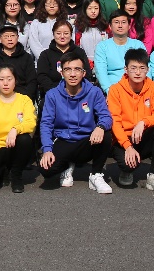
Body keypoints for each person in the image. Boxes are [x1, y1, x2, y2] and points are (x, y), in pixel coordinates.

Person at [37, 54, 113, 193]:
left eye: (77, 69)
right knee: (46, 170)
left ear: (84, 73)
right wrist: (47, 150)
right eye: (68, 69)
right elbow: (46, 124)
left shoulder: (94, 92)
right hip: (63, 140)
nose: (72, 74)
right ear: (62, 72)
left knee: (106, 134)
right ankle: (67, 165)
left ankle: (96, 174)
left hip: (87, 140)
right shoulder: (52, 94)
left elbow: (106, 116)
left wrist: (100, 127)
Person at [105, 49, 154, 195]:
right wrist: (127, 146)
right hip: (123, 139)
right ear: (126, 69)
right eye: (133, 68)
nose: (137, 72)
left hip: (143, 135)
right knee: (128, 166)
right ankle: (127, 169)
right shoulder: (115, 90)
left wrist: (143, 122)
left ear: (147, 69)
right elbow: (115, 121)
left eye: (142, 68)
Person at [93, 9, 147, 90]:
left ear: (129, 26)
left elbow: (145, 69)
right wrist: (110, 92)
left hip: (136, 88)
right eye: (116, 22)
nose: (120, 25)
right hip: (113, 89)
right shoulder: (102, 47)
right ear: (110, 26)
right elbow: (101, 73)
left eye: (124, 22)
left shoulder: (137, 45)